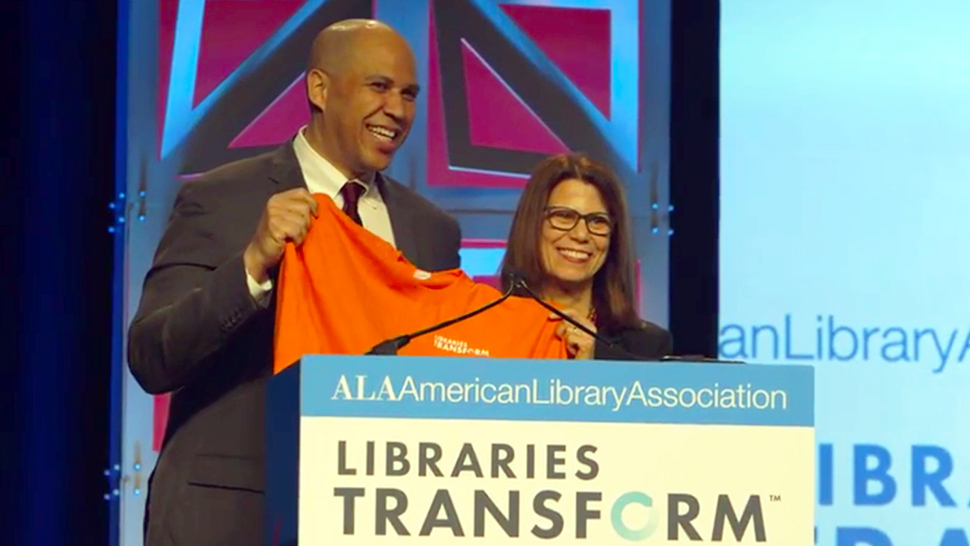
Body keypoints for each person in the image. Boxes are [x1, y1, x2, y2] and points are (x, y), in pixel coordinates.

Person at [127, 19, 460, 545]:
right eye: (379, 87)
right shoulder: (222, 199)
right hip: (235, 518)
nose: (397, 111)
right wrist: (252, 266)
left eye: (409, 94)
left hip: (379, 519)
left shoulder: (432, 233)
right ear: (319, 88)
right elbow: (151, 356)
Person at [500, 152, 672, 360]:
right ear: (532, 224)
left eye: (598, 221)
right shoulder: (487, 328)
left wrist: (591, 367)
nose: (581, 235)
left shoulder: (646, 348)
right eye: (564, 216)